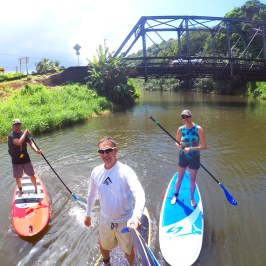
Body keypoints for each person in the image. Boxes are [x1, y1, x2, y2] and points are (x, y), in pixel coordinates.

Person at [84, 137, 145, 266]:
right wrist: (88, 214)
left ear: (116, 151)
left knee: (129, 250)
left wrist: (136, 216)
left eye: (108, 150)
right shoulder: (96, 172)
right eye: (101, 152)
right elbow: (91, 194)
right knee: (103, 246)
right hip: (105, 221)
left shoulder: (126, 172)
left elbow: (139, 194)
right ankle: (107, 263)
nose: (105, 155)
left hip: (126, 222)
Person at [171, 110, 207, 207]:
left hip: (194, 157)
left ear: (191, 117)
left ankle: (191, 198)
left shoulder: (198, 129)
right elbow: (176, 142)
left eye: (187, 117)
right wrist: (179, 146)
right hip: (183, 157)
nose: (185, 119)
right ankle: (175, 196)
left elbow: (204, 146)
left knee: (192, 179)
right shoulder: (180, 129)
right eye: (183, 117)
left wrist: (190, 148)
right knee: (180, 177)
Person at [8, 118, 42, 197]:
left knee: (32, 174)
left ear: (20, 125)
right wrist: (26, 132)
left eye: (18, 125)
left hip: (25, 158)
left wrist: (36, 150)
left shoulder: (24, 134)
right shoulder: (11, 136)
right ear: (13, 126)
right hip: (16, 160)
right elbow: (19, 142)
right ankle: (20, 190)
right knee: (18, 177)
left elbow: (31, 143)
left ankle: (36, 189)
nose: (17, 127)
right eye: (15, 125)